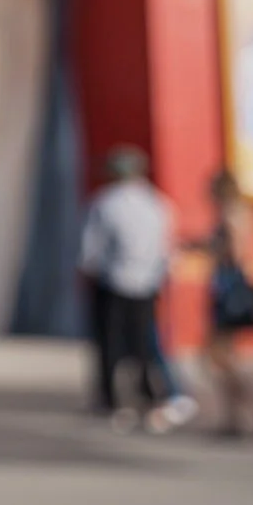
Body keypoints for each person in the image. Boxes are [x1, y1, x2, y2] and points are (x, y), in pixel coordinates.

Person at [78, 146, 180, 432]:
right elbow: (167, 248)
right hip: (147, 283)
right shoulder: (158, 204)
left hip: (113, 282)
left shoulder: (105, 203)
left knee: (109, 343)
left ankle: (112, 401)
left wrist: (88, 271)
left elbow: (90, 251)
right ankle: (149, 396)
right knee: (142, 343)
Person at [192, 169, 253, 440]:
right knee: (222, 357)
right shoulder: (244, 212)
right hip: (234, 281)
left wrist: (205, 247)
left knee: (214, 357)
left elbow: (233, 251)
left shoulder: (230, 214)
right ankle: (235, 417)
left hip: (229, 284)